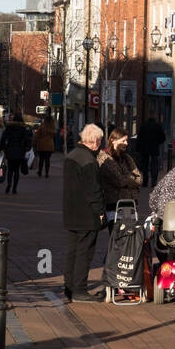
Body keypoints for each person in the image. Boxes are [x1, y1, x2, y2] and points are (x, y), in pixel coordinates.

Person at [62, 123, 107, 301]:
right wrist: (100, 212)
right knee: (84, 252)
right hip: (87, 214)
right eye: (100, 141)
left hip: (71, 211)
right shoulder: (88, 160)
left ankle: (69, 286)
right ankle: (79, 289)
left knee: (72, 250)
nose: (101, 144)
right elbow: (93, 190)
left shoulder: (72, 155)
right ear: (95, 141)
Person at [97, 129, 143, 223]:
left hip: (131, 205)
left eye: (127, 141)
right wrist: (131, 177)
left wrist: (126, 179)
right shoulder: (105, 158)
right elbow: (119, 180)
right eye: (123, 141)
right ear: (113, 140)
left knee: (131, 236)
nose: (126, 143)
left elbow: (139, 179)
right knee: (117, 236)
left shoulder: (127, 158)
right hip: (115, 207)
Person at [0, 111, 32, 195]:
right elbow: (26, 140)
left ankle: (9, 184)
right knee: (17, 170)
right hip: (19, 151)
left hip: (10, 150)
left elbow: (3, 139)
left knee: (10, 169)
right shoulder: (22, 128)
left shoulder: (9, 127)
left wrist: (3, 148)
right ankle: (14, 187)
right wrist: (26, 147)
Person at [135, 114, 166, 189]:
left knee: (145, 165)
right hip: (154, 148)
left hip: (145, 148)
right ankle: (153, 182)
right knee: (154, 165)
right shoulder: (158, 126)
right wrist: (158, 142)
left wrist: (138, 148)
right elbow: (163, 137)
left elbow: (139, 137)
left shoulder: (144, 126)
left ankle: (145, 182)